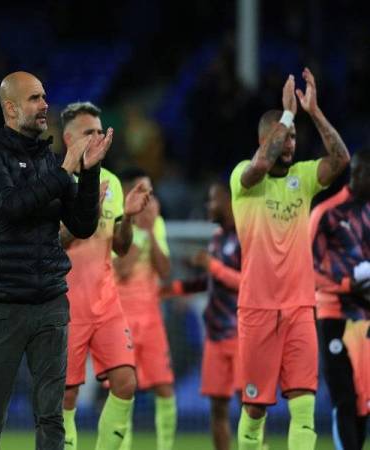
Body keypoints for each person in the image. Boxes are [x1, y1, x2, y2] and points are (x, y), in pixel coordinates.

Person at [0, 73, 108, 450]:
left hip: (49, 302)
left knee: (51, 418)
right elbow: (11, 206)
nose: (45, 104)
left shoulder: (47, 159)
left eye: (45, 96)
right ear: (11, 108)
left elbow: (81, 224)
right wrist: (65, 172)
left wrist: (90, 170)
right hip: (4, 305)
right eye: (34, 98)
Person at [230, 68, 350, 450]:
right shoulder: (242, 180)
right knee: (255, 412)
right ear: (265, 139)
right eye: (284, 136)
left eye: (295, 137)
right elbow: (261, 165)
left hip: (299, 306)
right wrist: (286, 116)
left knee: (304, 407)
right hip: (257, 308)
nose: (291, 143)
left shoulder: (304, 176)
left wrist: (312, 112)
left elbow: (342, 159)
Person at [57, 102, 150, 450]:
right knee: (66, 397)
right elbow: (53, 243)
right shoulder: (56, 181)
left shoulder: (110, 181)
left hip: (107, 304)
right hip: (66, 307)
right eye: (88, 133)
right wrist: (88, 208)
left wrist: (126, 217)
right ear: (69, 139)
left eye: (100, 131)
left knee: (126, 383)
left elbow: (121, 248)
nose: (97, 137)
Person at [161, 182, 241, 450]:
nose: (209, 206)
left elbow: (248, 284)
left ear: (229, 201)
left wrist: (212, 265)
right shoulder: (217, 238)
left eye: (213, 200)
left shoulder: (248, 236)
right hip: (216, 335)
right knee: (217, 409)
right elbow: (211, 281)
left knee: (252, 408)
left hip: (243, 335)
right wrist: (169, 290)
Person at [309, 149, 370, 450]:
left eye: (365, 173)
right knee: (343, 398)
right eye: (356, 171)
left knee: (363, 403)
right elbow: (305, 269)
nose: (358, 178)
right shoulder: (326, 213)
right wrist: (347, 284)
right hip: (332, 313)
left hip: (365, 318)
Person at [114, 168, 176, 450]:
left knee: (164, 387)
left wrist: (151, 231)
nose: (149, 198)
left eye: (151, 191)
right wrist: (139, 232)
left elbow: (165, 271)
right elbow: (122, 270)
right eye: (143, 191)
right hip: (120, 319)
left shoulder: (157, 223)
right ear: (129, 194)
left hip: (151, 319)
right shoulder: (117, 225)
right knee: (123, 389)